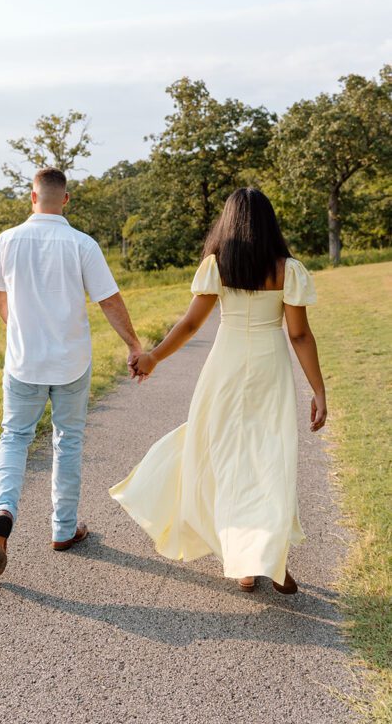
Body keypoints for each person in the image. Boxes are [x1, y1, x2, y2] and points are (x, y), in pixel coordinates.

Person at [109, 187, 328, 594]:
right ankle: (267, 555)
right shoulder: (287, 269)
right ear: (269, 223)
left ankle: (246, 562)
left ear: (228, 223)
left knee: (224, 455)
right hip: (269, 368)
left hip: (225, 366)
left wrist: (154, 357)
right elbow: (298, 334)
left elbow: (191, 325)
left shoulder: (217, 266)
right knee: (268, 458)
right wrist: (318, 390)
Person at [0, 166, 144, 577]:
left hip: (24, 363)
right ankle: (63, 529)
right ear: (65, 199)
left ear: (32, 198)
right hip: (71, 364)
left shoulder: (7, 240)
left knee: (15, 437)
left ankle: (2, 512)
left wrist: (21, 334)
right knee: (67, 441)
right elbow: (109, 300)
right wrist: (134, 345)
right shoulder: (82, 244)